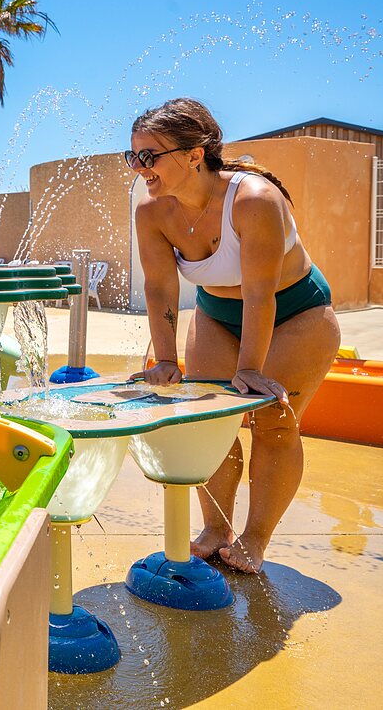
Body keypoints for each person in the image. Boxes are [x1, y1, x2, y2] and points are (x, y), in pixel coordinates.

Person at [128, 98, 339, 573]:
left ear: (194, 155)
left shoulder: (254, 200)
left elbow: (259, 294)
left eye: (150, 156)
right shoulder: (151, 211)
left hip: (294, 312)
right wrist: (165, 360)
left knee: (274, 419)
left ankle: (256, 539)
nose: (140, 168)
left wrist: (249, 369)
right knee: (208, 421)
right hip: (218, 313)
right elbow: (160, 285)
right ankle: (217, 528)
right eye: (133, 157)